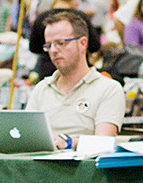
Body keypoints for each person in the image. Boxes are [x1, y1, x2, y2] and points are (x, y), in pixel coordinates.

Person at [26, 11, 125, 148]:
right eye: (49, 45)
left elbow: (104, 143)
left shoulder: (109, 89)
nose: (53, 50)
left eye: (61, 43)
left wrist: (68, 143)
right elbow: (26, 138)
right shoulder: (41, 89)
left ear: (83, 43)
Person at [28, 0, 98, 79]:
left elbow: (34, 47)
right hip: (77, 74)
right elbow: (95, 46)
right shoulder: (81, 17)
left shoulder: (41, 18)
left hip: (47, 70)